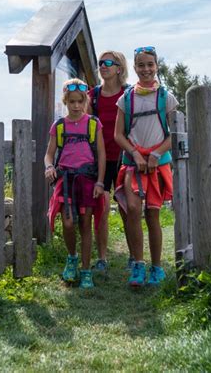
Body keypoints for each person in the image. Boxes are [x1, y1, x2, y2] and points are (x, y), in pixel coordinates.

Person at [114, 46, 178, 287]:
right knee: (132, 209)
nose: (146, 69)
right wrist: (135, 154)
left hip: (157, 166)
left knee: (153, 214)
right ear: (135, 68)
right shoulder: (126, 99)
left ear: (157, 66)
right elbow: (118, 134)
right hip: (132, 164)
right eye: (141, 65)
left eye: (150, 64)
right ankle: (138, 265)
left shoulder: (166, 97)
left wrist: (156, 153)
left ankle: (157, 267)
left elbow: (176, 133)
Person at [44, 78, 106, 289]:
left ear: (85, 101)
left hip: (87, 181)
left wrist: (100, 182)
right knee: (69, 223)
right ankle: (72, 258)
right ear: (65, 101)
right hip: (66, 180)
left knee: (85, 224)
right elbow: (49, 154)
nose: (76, 106)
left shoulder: (93, 124)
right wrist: (49, 167)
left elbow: (101, 154)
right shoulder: (59, 126)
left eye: (80, 101)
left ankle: (87, 271)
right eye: (72, 102)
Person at [88, 51, 133, 275]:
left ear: (119, 68)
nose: (103, 66)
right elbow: (84, 124)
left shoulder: (130, 94)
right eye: (101, 63)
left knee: (127, 209)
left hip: (125, 158)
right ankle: (102, 258)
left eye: (108, 63)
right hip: (101, 161)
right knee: (102, 209)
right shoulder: (92, 95)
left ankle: (135, 256)